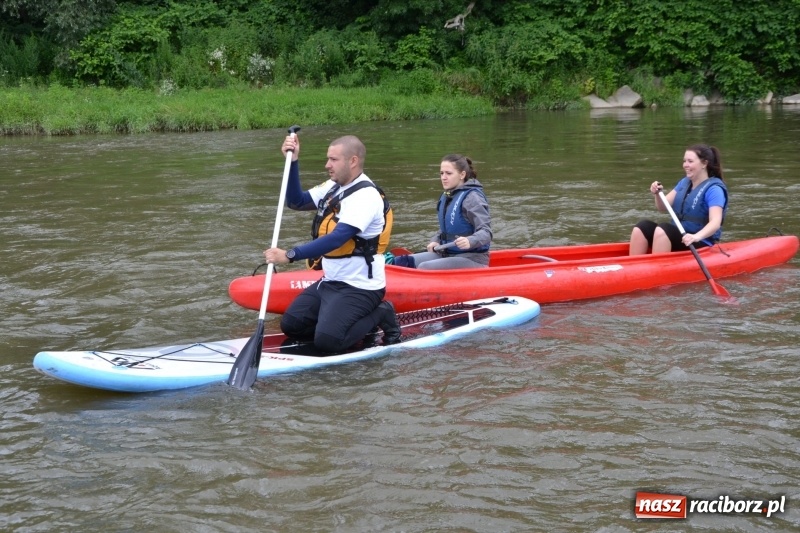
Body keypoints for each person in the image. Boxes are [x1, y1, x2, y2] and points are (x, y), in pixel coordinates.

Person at [264, 133, 401, 352]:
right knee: (292, 326)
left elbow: (338, 238)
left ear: (353, 161)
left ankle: (381, 313)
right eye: (328, 159)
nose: (327, 165)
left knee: (329, 342)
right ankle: (337, 325)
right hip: (331, 280)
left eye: (334, 160)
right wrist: (293, 162)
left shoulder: (366, 196)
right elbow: (296, 201)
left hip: (361, 287)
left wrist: (290, 255)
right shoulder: (333, 186)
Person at [394, 154, 492, 270]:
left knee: (424, 267)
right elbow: (447, 228)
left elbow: (486, 232)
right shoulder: (447, 195)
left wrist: (470, 240)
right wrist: (436, 240)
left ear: (462, 175)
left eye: (448, 173)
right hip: (447, 253)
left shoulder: (473, 198)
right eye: (441, 173)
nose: (443, 177)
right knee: (401, 261)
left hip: (472, 258)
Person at [629, 144, 728, 255]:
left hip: (700, 242)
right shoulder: (684, 183)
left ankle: (658, 269)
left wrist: (696, 236)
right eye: (684, 161)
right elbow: (662, 207)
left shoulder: (714, 190)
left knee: (662, 230)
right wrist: (657, 194)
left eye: (690, 161)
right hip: (681, 237)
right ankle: (632, 266)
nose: (685, 165)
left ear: (704, 163)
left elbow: (715, 222)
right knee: (642, 227)